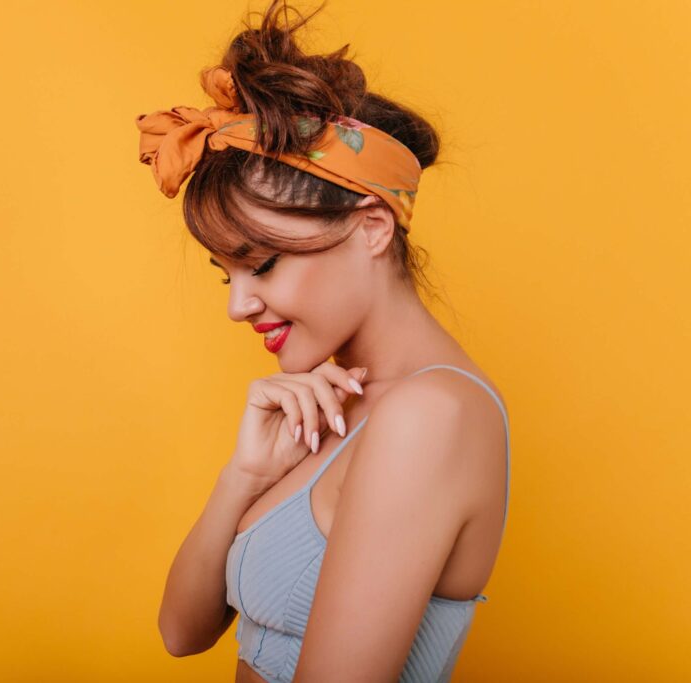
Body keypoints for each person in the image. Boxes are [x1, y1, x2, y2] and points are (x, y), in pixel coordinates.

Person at [134, 1, 511, 681]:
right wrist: (244, 475)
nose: (239, 304)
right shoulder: (336, 401)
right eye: (229, 273)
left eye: (264, 262)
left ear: (371, 228)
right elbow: (181, 630)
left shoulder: (431, 417)